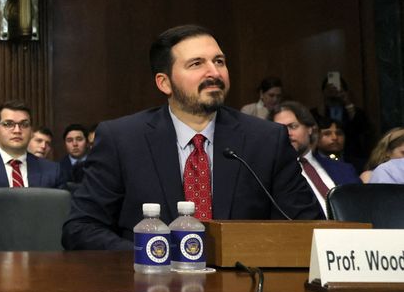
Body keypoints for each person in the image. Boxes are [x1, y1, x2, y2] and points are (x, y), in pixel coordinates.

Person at [63, 25, 323, 251]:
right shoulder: (123, 140)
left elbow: (307, 226)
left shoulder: (266, 140)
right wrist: (149, 255)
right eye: (197, 64)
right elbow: (81, 227)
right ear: (164, 83)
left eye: (219, 61)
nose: (214, 73)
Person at [0, 101, 63, 248]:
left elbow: (60, 219)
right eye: (8, 124)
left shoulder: (52, 171)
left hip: (41, 254)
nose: (17, 130)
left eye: (24, 124)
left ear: (31, 131)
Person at [270, 101, 359, 217]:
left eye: (293, 126)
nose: (287, 133)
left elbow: (363, 207)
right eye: (279, 129)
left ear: (310, 129)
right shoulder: (271, 176)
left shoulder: (344, 168)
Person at [312, 73, 374, 169]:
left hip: (352, 153)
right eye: (329, 88)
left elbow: (362, 129)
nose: (334, 137)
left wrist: (347, 101)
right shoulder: (317, 112)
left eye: (337, 87)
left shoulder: (355, 112)